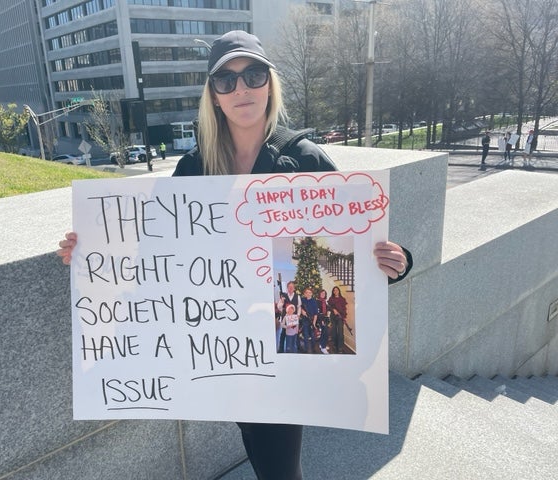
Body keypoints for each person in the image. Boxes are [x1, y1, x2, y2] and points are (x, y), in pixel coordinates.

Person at [57, 30, 412, 480]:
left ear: (270, 83)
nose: (241, 89)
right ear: (214, 96)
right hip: (218, 347)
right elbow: (151, 251)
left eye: (253, 75)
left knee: (278, 467)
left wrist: (396, 261)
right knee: (267, 456)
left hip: (285, 349)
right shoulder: (193, 168)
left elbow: (354, 243)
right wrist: (90, 254)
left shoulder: (303, 159)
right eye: (226, 80)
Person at [276, 281, 302, 353]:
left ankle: (298, 347)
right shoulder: (283, 296)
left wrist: (298, 315)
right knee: (283, 333)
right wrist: (282, 302)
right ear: (287, 288)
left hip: (294, 318)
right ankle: (281, 348)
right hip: (285, 316)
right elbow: (279, 307)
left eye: (292, 287)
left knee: (295, 333)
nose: (290, 288)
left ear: (294, 288)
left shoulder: (298, 296)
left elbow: (299, 307)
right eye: (289, 287)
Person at [327, 286, 348, 354]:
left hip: (340, 317)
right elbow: (329, 307)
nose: (335, 291)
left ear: (339, 291)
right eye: (334, 290)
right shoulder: (331, 299)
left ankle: (340, 347)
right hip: (333, 317)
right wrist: (333, 310)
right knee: (334, 332)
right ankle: (335, 345)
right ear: (333, 292)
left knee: (340, 332)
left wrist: (344, 317)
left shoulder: (342, 299)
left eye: (337, 290)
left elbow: (344, 309)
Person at [300, 288, 318, 354]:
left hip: (312, 320)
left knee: (313, 335)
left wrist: (314, 323)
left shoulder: (314, 301)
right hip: (305, 320)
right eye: (306, 292)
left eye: (309, 292)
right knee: (306, 334)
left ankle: (313, 348)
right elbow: (299, 306)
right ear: (304, 294)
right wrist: (302, 311)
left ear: (312, 293)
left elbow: (316, 313)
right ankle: (306, 348)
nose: (308, 294)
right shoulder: (302, 300)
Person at [316, 289, 330, 354]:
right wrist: (321, 320)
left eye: (324, 294)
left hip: (325, 318)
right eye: (322, 293)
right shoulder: (317, 301)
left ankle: (321, 344)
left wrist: (328, 313)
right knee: (326, 332)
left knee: (324, 332)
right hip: (319, 319)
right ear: (319, 294)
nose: (323, 294)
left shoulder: (325, 301)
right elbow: (317, 312)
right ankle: (323, 348)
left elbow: (328, 309)